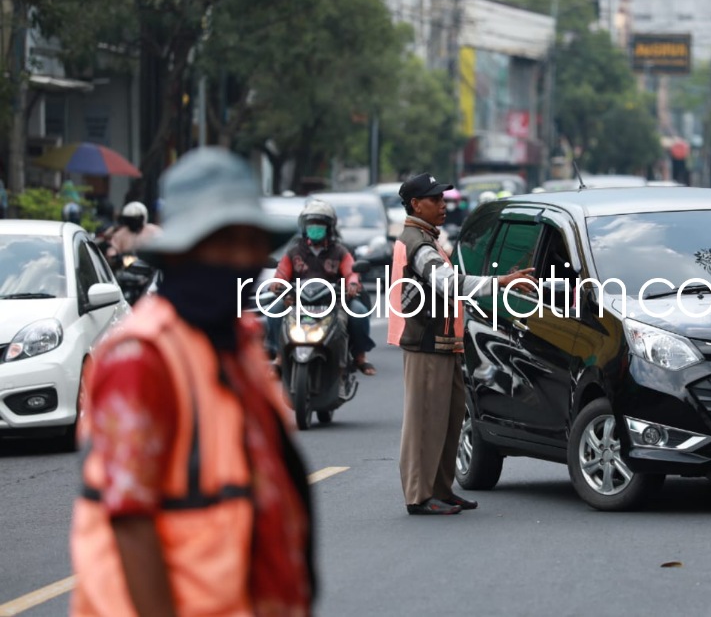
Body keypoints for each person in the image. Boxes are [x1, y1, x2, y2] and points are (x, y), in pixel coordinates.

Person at [70, 147, 316, 616]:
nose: (240, 258)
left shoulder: (234, 344)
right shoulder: (143, 358)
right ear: (182, 253)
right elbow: (130, 520)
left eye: (249, 243)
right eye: (221, 244)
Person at [388, 172, 537, 515]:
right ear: (416, 204)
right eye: (435, 199)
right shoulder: (417, 243)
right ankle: (420, 496)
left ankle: (441, 490)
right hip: (426, 343)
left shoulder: (427, 237)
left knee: (448, 420)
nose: (443, 205)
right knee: (425, 423)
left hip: (444, 342)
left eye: (443, 198)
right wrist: (500, 282)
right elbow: (449, 283)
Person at [269, 199, 377, 375]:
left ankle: (360, 357)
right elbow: (282, 272)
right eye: (311, 223)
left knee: (359, 313)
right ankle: (279, 357)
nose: (315, 227)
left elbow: (351, 272)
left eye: (319, 223)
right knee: (273, 312)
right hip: (298, 300)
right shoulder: (294, 251)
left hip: (336, 300)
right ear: (304, 227)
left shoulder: (340, 251)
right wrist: (277, 283)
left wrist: (352, 284)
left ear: (329, 227)